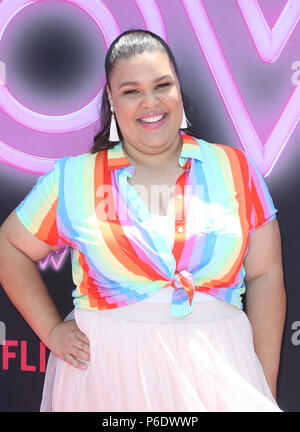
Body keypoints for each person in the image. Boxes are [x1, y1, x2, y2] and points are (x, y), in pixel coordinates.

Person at [0, 29, 286, 412]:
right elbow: (10, 246)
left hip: (220, 374)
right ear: (111, 101)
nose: (150, 102)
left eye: (162, 85)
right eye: (131, 91)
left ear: (179, 91)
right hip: (106, 382)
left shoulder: (234, 169)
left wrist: (261, 388)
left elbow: (265, 276)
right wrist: (51, 331)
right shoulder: (74, 179)